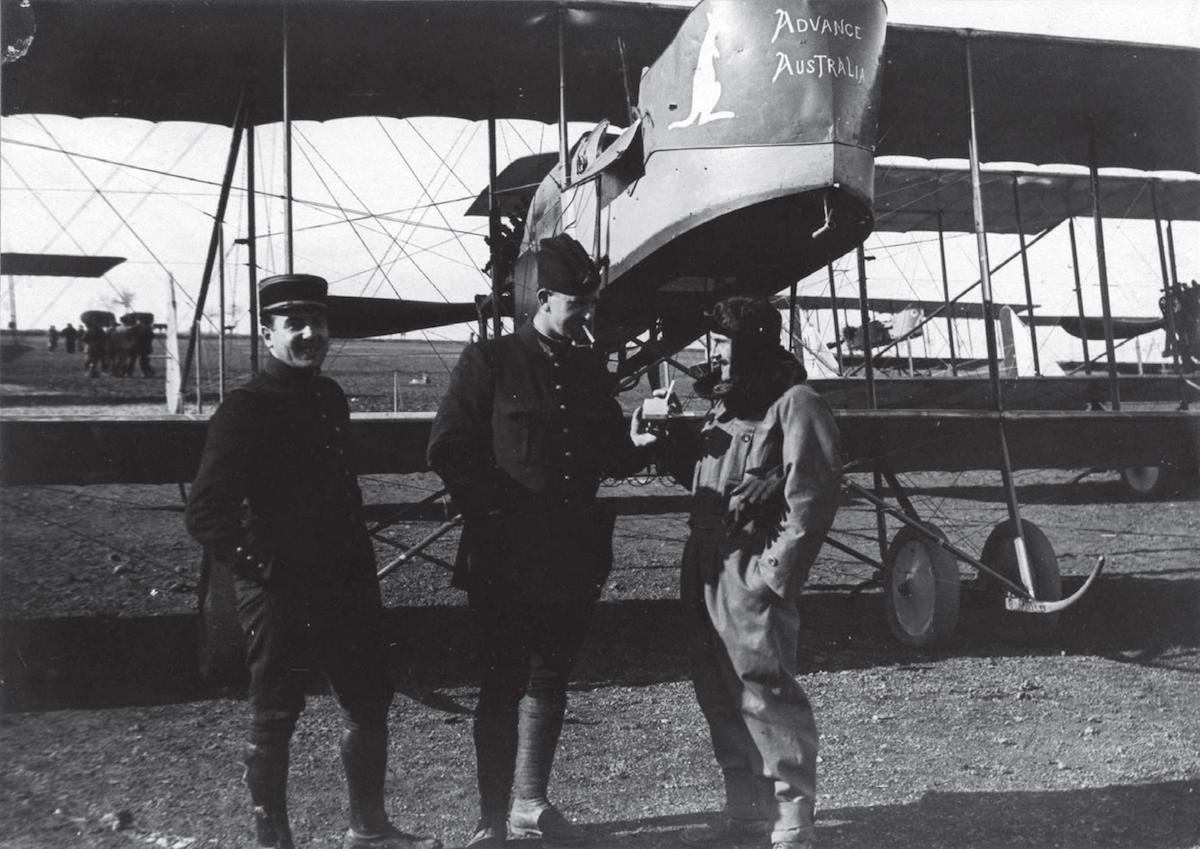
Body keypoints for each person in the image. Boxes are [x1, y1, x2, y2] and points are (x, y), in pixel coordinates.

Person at [185, 273, 441, 849]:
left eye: (318, 323)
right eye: (294, 324)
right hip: (279, 588)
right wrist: (264, 569)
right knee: (275, 713)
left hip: (344, 579)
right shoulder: (245, 409)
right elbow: (205, 514)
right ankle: (273, 841)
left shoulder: (328, 397)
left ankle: (368, 830)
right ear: (267, 334)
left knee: (367, 699)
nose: (309, 335)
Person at [427, 234, 655, 848]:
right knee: (502, 681)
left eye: (591, 301)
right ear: (545, 297)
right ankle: (490, 819)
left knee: (551, 675)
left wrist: (638, 443)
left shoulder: (586, 368)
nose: (588, 312)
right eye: (579, 302)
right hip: (505, 553)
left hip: (571, 554)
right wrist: (496, 513)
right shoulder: (490, 360)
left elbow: (608, 453)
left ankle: (529, 804)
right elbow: (448, 447)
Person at [643, 296, 842, 849]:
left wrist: (772, 576)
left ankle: (792, 817)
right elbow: (709, 475)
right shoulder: (727, 404)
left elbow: (813, 495)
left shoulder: (796, 402)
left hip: (749, 564)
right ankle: (745, 809)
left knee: (765, 692)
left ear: (752, 345)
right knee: (716, 689)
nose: (715, 356)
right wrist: (667, 439)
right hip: (704, 562)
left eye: (723, 344)